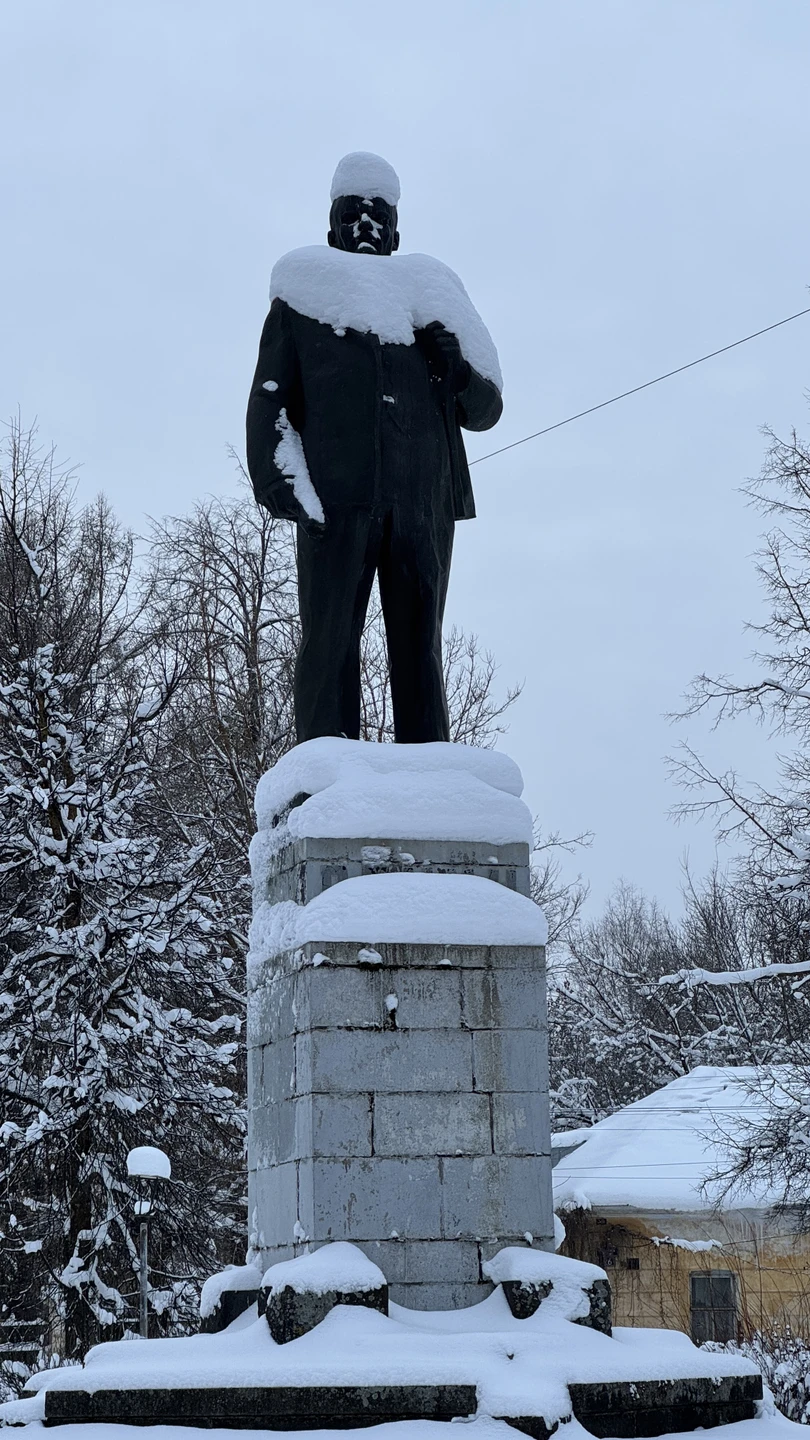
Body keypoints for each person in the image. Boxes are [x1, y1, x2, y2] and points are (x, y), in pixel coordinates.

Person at [246, 152, 502, 744]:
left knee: (420, 649)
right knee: (330, 642)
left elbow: (486, 408)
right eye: (351, 213)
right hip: (334, 502)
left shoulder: (434, 291)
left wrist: (456, 368)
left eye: (377, 214)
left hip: (422, 503)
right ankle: (325, 775)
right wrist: (284, 483)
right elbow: (270, 398)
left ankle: (431, 777)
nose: (365, 224)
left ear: (395, 230)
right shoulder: (304, 290)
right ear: (331, 227)